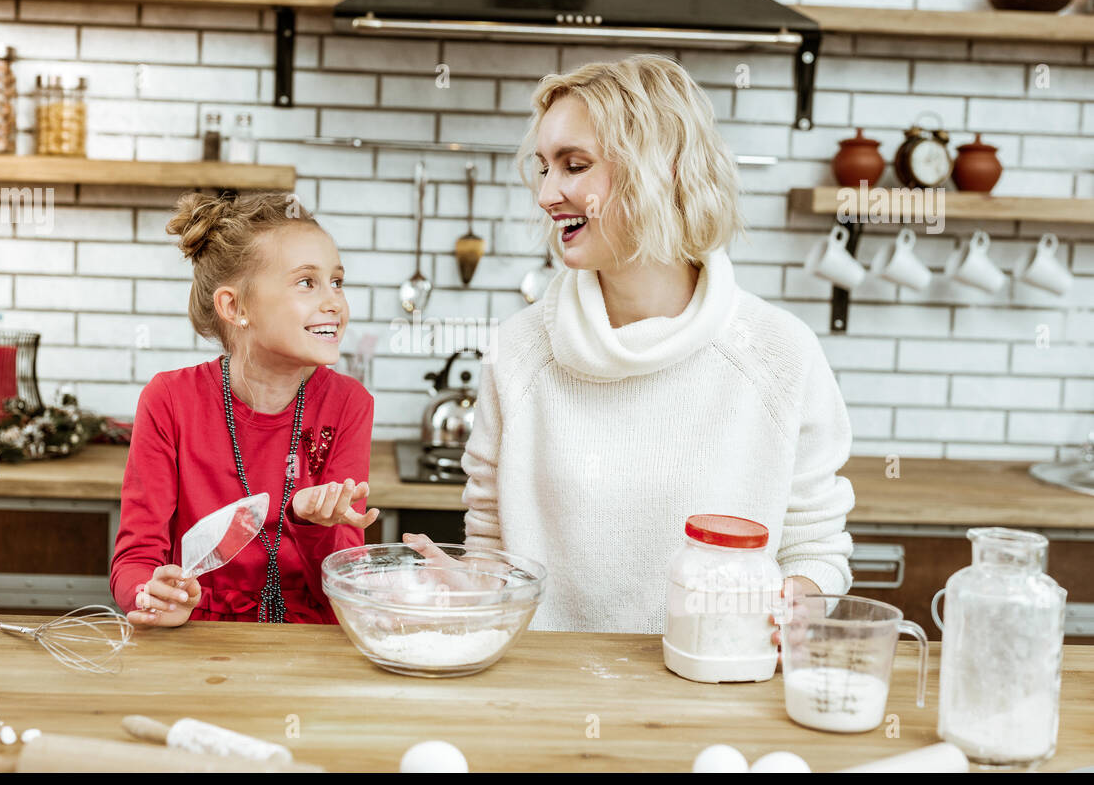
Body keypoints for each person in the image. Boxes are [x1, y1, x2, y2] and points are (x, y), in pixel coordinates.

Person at [407, 54, 855, 636]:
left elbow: (815, 546)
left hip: (716, 688)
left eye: (574, 165)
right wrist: (473, 587)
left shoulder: (779, 353)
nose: (547, 194)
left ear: (660, 168)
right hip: (543, 697)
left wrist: (794, 604)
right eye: (543, 168)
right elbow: (494, 542)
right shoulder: (519, 352)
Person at [111, 191, 379, 627]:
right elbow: (136, 559)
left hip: (308, 649)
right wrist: (153, 595)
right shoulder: (169, 400)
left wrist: (312, 524)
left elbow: (343, 589)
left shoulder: (349, 404)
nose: (334, 302)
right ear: (234, 306)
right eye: (307, 282)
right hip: (198, 636)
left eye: (337, 281)